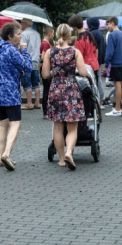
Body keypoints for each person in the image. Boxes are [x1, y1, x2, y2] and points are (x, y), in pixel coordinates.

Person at [42, 23, 88, 171]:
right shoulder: (75, 52)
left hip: (55, 90)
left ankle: (62, 159)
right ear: (69, 35)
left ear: (57, 34)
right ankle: (69, 153)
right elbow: (83, 73)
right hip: (71, 91)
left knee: (58, 127)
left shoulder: (50, 52)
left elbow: (45, 75)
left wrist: (56, 71)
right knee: (72, 128)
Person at [0, 22, 33, 171]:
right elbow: (27, 67)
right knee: (15, 123)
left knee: (3, 124)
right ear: (10, 36)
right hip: (9, 91)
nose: (21, 37)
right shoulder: (12, 51)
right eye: (18, 34)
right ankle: (6, 154)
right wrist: (24, 51)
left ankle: (1, 156)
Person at [104, 16, 122, 117]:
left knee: (117, 85)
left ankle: (117, 109)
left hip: (116, 63)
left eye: (108, 24)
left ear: (113, 23)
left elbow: (110, 51)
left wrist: (106, 64)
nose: (107, 26)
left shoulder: (112, 35)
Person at [19, 18, 42, 110]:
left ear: (25, 24)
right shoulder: (37, 34)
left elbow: (22, 47)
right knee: (36, 83)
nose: (20, 24)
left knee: (27, 83)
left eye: (21, 23)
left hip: (27, 61)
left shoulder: (24, 34)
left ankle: (29, 103)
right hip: (36, 60)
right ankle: (37, 102)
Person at [87, 17, 106, 106]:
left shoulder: (92, 34)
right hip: (100, 59)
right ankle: (101, 98)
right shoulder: (100, 33)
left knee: (96, 80)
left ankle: (100, 98)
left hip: (94, 60)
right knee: (98, 79)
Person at [40, 26, 54, 119]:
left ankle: (47, 110)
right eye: (53, 33)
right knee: (47, 90)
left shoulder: (45, 43)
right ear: (49, 34)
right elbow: (43, 57)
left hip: (46, 68)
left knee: (47, 89)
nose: (53, 35)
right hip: (47, 69)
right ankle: (46, 110)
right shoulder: (46, 44)